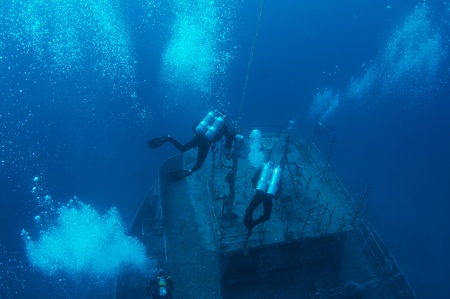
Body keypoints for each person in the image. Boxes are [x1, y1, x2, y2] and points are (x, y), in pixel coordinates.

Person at [147, 111, 237, 181]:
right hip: (206, 144)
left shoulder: (208, 118)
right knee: (198, 165)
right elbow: (228, 138)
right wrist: (227, 151)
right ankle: (188, 171)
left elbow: (195, 124)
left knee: (182, 148)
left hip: (197, 138)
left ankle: (169, 138)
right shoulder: (223, 125)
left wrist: (197, 134)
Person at [243, 162, 283, 231]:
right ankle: (254, 223)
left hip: (259, 193)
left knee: (250, 208)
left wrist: (257, 188)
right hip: (268, 197)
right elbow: (279, 189)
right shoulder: (278, 175)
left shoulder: (262, 170)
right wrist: (273, 196)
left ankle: (248, 220)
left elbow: (253, 181)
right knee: (267, 216)